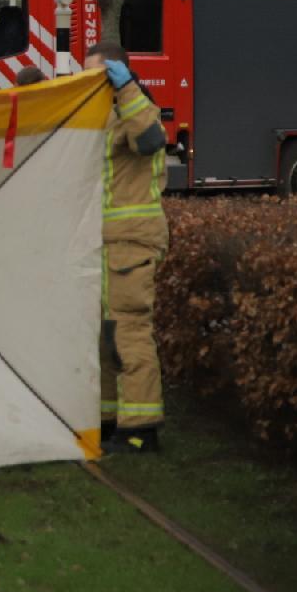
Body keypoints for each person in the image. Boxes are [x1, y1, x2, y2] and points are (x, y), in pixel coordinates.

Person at [86, 40, 169, 454]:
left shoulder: (138, 112)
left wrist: (129, 88)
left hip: (131, 243)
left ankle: (140, 430)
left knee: (129, 332)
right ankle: (107, 421)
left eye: (97, 75)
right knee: (105, 336)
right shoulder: (110, 118)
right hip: (109, 243)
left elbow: (151, 139)